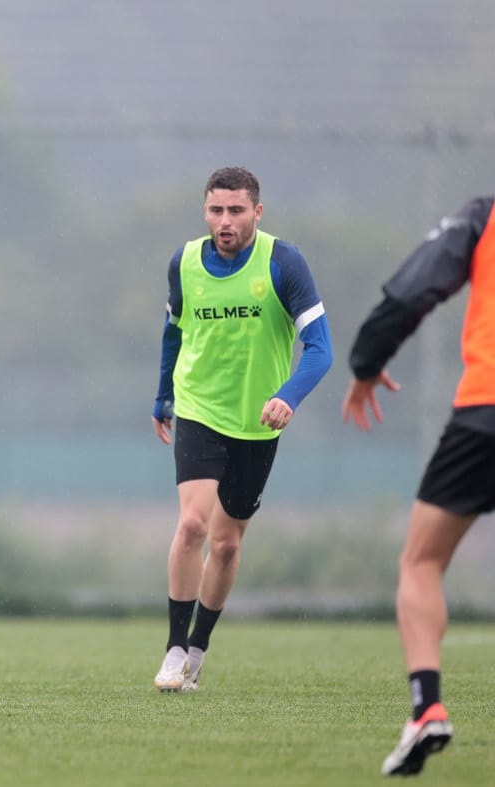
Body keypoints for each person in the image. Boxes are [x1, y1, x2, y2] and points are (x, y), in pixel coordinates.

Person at [150, 166, 332, 692]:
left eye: (235, 210)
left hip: (258, 422)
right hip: (199, 408)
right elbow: (172, 331)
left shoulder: (283, 263)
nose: (224, 221)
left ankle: (197, 651)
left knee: (226, 545)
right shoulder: (184, 263)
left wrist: (287, 396)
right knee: (192, 525)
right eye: (215, 210)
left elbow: (320, 348)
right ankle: (173, 650)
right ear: (205, 211)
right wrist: (164, 397)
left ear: (257, 211)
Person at [341, 196, 495, 776]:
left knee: (421, 561)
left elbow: (411, 293)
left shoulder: (485, 217)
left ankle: (427, 708)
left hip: (486, 412)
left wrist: (366, 362)